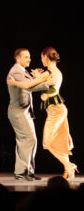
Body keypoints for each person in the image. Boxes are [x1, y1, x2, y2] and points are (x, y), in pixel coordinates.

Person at [8, 47, 77, 180]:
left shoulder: (49, 72)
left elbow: (31, 86)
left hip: (55, 111)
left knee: (47, 143)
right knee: (59, 140)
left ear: (45, 58)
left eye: (40, 57)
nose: (39, 60)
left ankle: (69, 165)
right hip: (59, 109)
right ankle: (69, 171)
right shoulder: (55, 71)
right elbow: (47, 83)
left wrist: (14, 82)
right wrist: (39, 77)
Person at [6, 48, 49, 181]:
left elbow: (33, 83)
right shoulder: (15, 72)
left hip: (25, 111)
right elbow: (29, 86)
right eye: (26, 57)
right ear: (18, 58)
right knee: (28, 139)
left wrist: (39, 77)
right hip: (18, 112)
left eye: (29, 56)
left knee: (28, 140)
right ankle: (22, 172)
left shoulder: (23, 71)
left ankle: (26, 171)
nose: (29, 59)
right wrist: (46, 82)